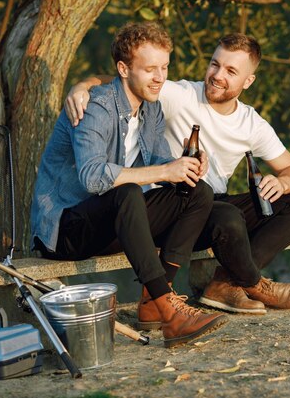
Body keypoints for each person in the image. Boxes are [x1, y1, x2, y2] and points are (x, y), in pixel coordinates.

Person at [65, 33, 290, 323]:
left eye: (231, 71)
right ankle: (252, 282)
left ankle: (226, 284)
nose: (217, 75)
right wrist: (82, 86)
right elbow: (124, 80)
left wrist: (282, 183)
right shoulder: (180, 94)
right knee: (225, 216)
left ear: (248, 81)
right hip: (176, 203)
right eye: (215, 64)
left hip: (211, 201)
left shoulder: (251, 123)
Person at [30, 22, 227, 348]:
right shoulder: (96, 106)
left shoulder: (152, 110)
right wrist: (165, 170)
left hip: (112, 222)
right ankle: (171, 312)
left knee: (197, 192)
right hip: (65, 231)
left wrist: (185, 169)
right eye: (150, 69)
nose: (160, 77)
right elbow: (93, 178)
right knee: (127, 191)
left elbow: (162, 172)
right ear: (123, 69)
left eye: (164, 67)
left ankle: (156, 297)